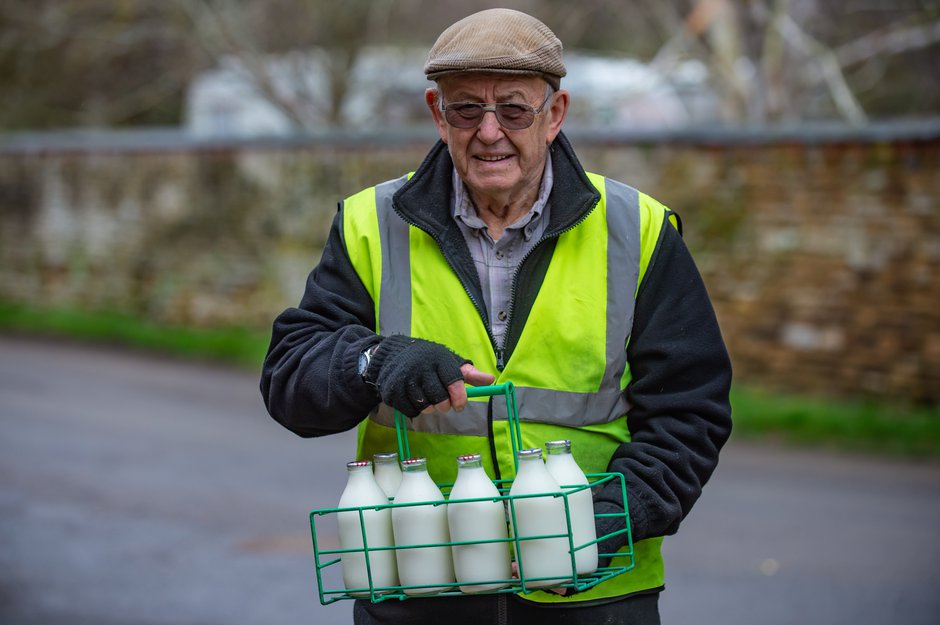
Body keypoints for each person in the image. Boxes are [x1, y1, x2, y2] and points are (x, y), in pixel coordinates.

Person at [261, 8, 732, 625]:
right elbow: (291, 381)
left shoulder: (636, 231)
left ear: (555, 114)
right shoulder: (368, 224)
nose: (489, 132)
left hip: (595, 600)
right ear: (437, 113)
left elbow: (691, 411)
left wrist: (603, 524)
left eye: (513, 109)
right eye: (465, 110)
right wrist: (375, 360)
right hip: (420, 596)